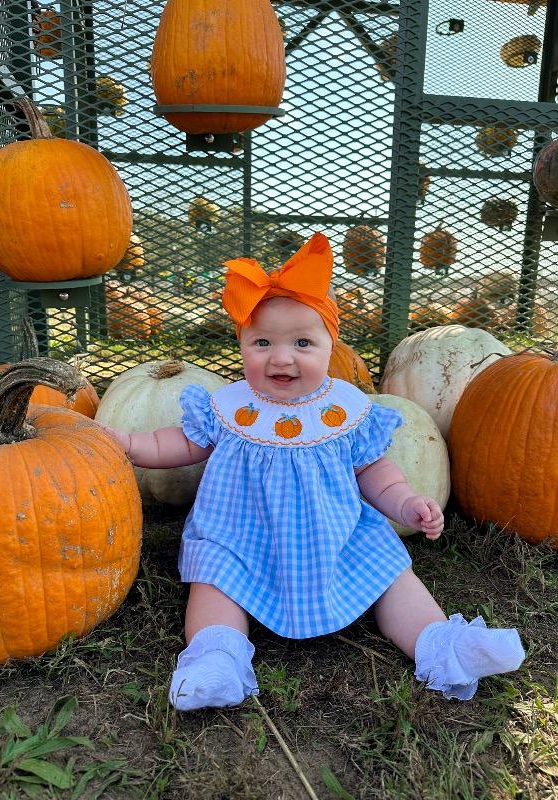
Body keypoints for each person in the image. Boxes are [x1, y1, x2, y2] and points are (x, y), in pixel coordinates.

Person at [103, 232, 525, 712]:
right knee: (213, 583)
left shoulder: (346, 408)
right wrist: (131, 445)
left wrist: (405, 502)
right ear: (242, 343)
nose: (281, 357)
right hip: (238, 536)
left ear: (331, 346)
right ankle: (216, 658)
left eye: (302, 342)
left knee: (392, 573)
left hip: (336, 535)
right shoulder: (228, 405)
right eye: (262, 342)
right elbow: (180, 443)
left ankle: (442, 645)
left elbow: (374, 469)